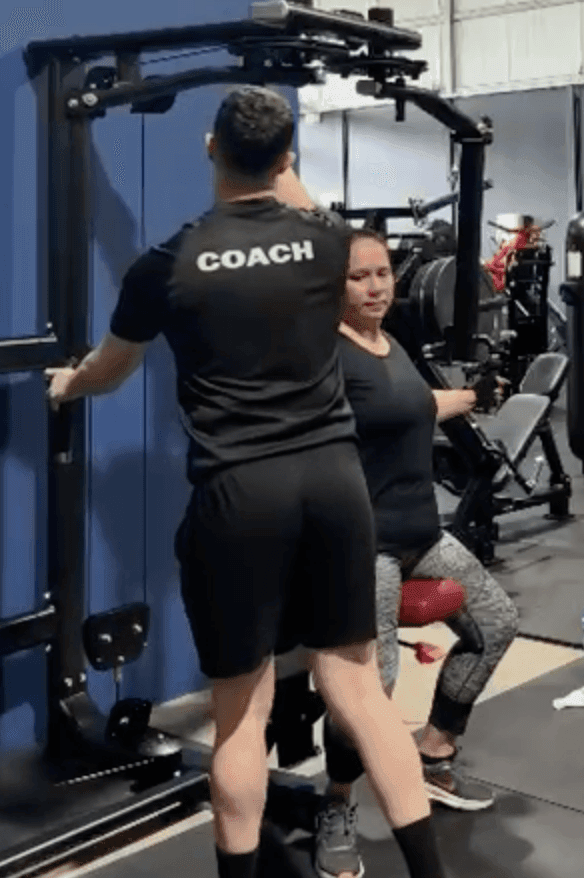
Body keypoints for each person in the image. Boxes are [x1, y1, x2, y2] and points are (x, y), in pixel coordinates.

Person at [45, 87, 450, 878]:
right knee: (362, 694)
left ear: (209, 149)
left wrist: (67, 386)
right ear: (288, 155)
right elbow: (294, 202)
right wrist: (282, 162)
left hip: (242, 493)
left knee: (242, 716)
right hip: (336, 484)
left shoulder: (166, 263)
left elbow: (109, 372)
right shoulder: (329, 243)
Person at [295, 223, 520, 878]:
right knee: (374, 686)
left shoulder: (388, 343)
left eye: (381, 274)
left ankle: (434, 751)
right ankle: (335, 804)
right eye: (357, 276)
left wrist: (478, 395)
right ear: (333, 286)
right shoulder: (324, 356)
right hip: (364, 545)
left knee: (497, 624)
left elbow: (415, 404)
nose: (373, 287)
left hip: (423, 534)